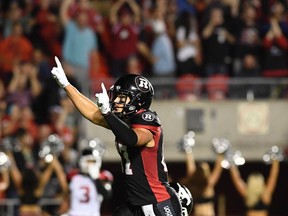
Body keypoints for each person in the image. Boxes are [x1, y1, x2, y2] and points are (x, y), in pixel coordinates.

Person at [51, 56, 182, 215]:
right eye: (117, 96)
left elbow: (132, 138)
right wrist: (66, 85)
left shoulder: (148, 119)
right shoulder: (123, 121)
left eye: (123, 97)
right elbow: (93, 114)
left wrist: (107, 113)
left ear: (138, 100)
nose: (117, 101)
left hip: (158, 202)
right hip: (136, 204)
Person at [59, 146, 113, 216]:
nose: (91, 164)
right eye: (89, 161)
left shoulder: (103, 176)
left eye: (93, 161)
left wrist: (96, 178)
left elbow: (107, 195)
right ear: (82, 161)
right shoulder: (73, 176)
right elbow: (65, 194)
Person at [179, 143, 224, 216]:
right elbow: (217, 169)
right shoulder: (209, 185)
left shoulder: (197, 185)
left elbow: (191, 169)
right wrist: (220, 153)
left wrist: (188, 152)